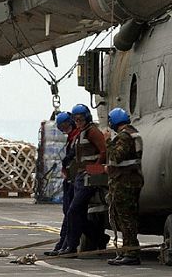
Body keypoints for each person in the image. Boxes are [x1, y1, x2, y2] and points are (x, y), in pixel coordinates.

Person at [57, 103, 107, 256]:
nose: (78, 122)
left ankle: (71, 245)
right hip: (79, 178)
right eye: (76, 119)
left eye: (80, 119)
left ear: (86, 118)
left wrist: (94, 172)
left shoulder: (92, 132)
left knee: (73, 210)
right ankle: (73, 244)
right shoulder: (81, 133)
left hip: (87, 178)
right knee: (75, 212)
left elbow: (104, 151)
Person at [105, 107, 144, 266]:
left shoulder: (124, 137)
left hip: (125, 183)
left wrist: (107, 141)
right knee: (125, 217)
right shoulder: (133, 133)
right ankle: (127, 251)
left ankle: (131, 252)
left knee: (126, 218)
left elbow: (116, 157)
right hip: (130, 181)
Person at [44, 111, 81, 257]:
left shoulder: (79, 135)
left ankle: (67, 244)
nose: (62, 129)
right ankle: (63, 243)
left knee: (72, 212)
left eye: (64, 126)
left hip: (76, 179)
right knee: (69, 212)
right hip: (71, 179)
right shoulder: (73, 136)